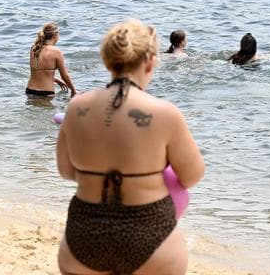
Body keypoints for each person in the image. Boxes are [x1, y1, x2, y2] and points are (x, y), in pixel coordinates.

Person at [56, 19, 205, 275]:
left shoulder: (76, 108)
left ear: (107, 60)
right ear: (149, 61)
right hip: (149, 230)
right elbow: (191, 176)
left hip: (86, 231)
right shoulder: (165, 113)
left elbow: (67, 172)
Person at [26, 22, 76, 99]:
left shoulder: (34, 48)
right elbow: (65, 76)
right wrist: (73, 90)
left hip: (30, 90)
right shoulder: (56, 52)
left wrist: (56, 80)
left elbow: (36, 72)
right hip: (46, 93)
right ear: (55, 35)